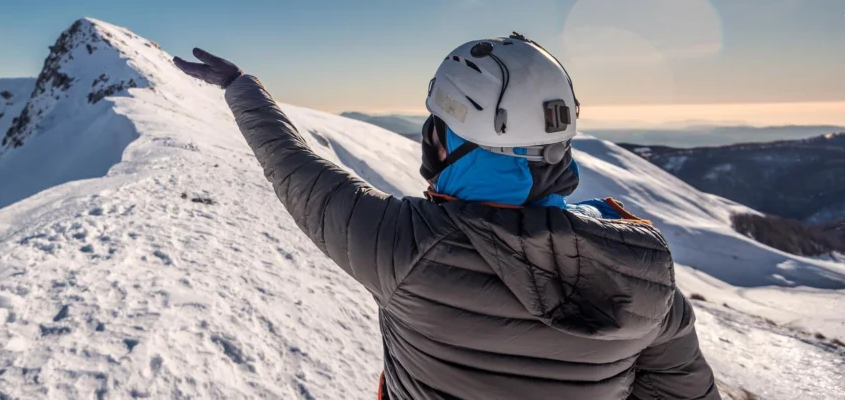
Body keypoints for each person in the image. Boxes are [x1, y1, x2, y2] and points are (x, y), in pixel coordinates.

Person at [174, 34, 718, 400]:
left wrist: (241, 87)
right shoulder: (643, 270)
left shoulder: (406, 247)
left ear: (446, 142)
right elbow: (683, 389)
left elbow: (297, 171)